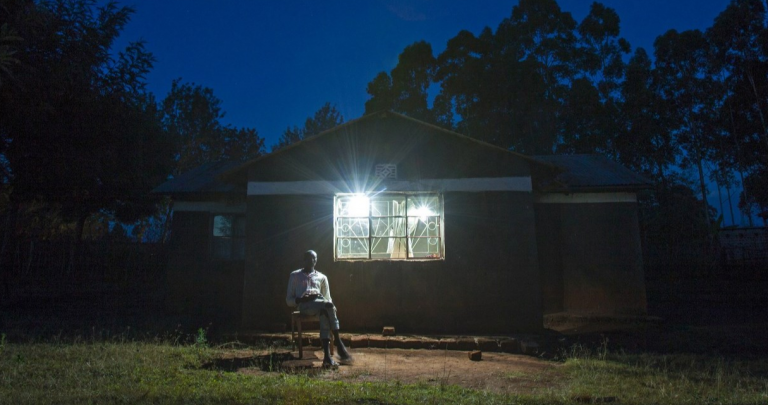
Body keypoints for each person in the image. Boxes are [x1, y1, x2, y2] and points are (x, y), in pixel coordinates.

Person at [286, 250, 353, 367]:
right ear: (304, 260)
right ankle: (338, 340)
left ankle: (327, 358)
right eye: (308, 258)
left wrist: (329, 306)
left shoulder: (322, 277)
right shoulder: (295, 275)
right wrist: (301, 299)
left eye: (314, 258)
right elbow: (288, 300)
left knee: (325, 312)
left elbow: (328, 298)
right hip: (304, 306)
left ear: (316, 261)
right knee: (327, 306)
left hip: (320, 305)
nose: (311, 260)